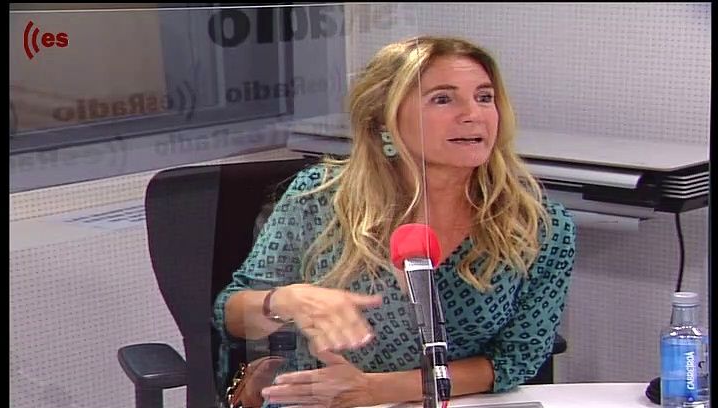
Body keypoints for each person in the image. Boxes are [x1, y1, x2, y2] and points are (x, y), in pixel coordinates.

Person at [212, 35, 576, 408]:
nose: (473, 114)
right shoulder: (319, 197)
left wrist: (376, 390)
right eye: (443, 99)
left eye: (484, 97)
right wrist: (282, 301)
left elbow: (517, 357)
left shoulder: (540, 227)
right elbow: (229, 315)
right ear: (384, 120)